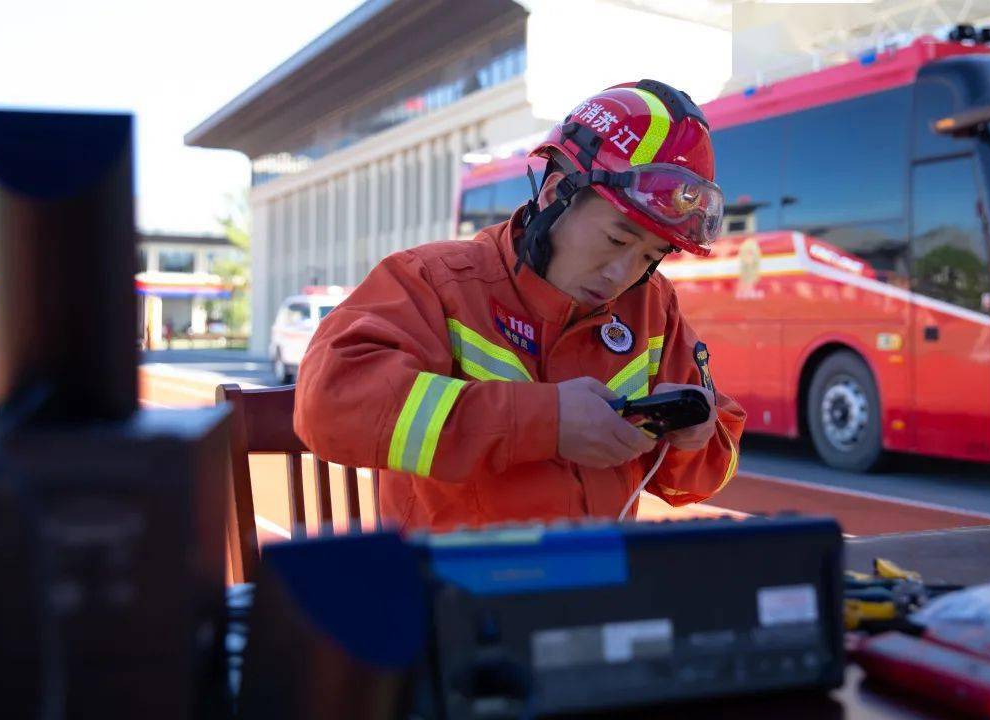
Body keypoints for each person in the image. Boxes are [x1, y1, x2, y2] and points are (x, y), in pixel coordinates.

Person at [294, 80, 746, 532]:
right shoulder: (434, 282)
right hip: (459, 588)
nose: (620, 275)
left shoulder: (652, 306)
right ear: (554, 195)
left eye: (651, 255)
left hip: (599, 588)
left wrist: (692, 437)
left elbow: (697, 481)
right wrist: (547, 421)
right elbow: (328, 406)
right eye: (616, 238)